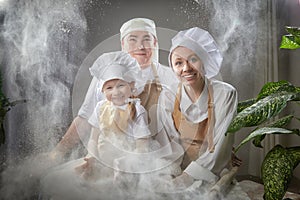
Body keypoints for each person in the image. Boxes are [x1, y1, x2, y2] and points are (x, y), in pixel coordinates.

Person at [51, 17, 178, 159]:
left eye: (146, 39)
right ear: (123, 44)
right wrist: (58, 151)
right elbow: (84, 119)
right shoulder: (106, 75)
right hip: (107, 157)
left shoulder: (172, 76)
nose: (140, 46)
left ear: (155, 43)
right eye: (133, 39)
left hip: (156, 158)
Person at [40, 51, 161, 200]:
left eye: (120, 85)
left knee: (105, 190)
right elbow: (93, 138)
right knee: (55, 182)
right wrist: (92, 155)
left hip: (125, 165)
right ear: (102, 91)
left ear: (131, 85)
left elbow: (142, 144)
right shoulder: (100, 108)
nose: (115, 92)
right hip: (101, 161)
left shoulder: (136, 110)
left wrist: (128, 161)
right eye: (109, 88)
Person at [157, 27, 239, 195]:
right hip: (178, 171)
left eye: (193, 59)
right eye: (178, 63)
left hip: (213, 173)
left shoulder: (225, 94)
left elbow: (219, 149)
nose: (186, 68)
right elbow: (169, 145)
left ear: (204, 60)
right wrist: (170, 176)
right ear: (172, 68)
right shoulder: (168, 96)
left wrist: (187, 178)